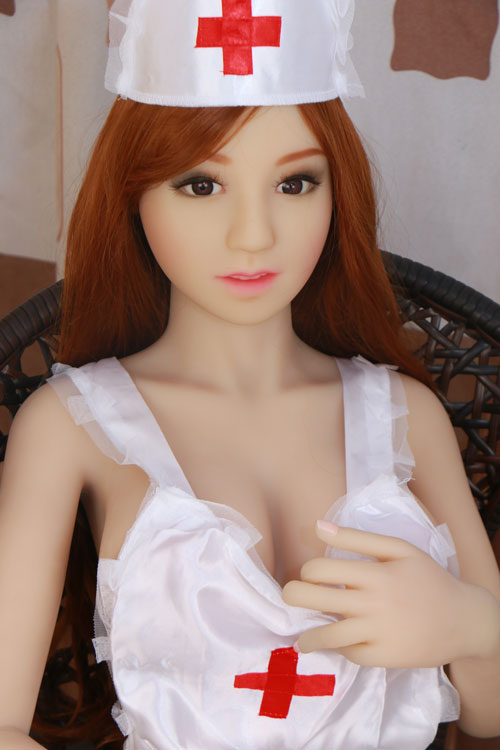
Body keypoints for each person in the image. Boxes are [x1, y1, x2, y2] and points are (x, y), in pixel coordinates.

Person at [1, 1, 500, 748]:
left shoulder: (405, 416)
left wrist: (474, 625)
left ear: (337, 191)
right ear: (134, 195)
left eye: (295, 184)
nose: (253, 236)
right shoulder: (72, 425)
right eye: (200, 185)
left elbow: (491, 717)